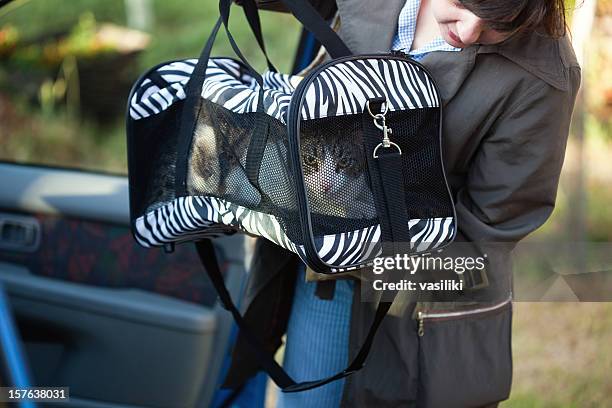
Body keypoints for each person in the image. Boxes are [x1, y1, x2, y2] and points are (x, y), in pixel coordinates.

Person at [223, 0, 581, 407]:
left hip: (413, 311)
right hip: (318, 287)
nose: (467, 32)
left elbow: (486, 236)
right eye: (461, 4)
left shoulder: (545, 76)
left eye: (501, 24)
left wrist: (358, 253)